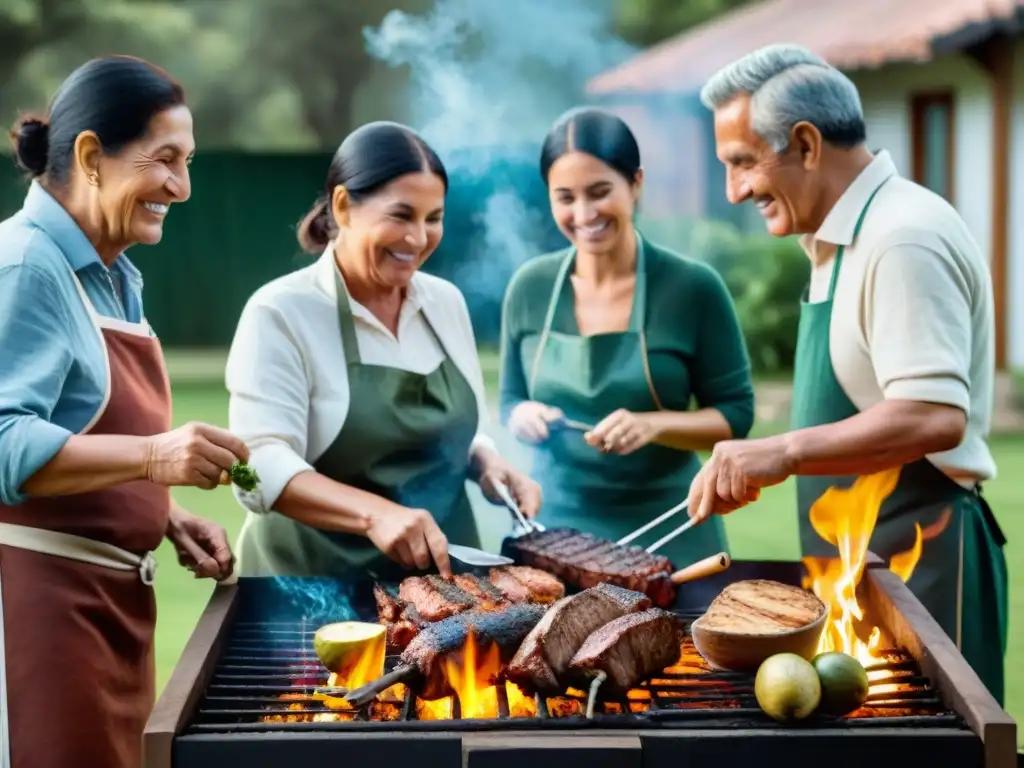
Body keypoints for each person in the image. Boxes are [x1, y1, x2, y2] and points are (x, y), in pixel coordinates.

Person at [690, 44, 1007, 702]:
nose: (735, 190)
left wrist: (781, 449)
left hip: (923, 569)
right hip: (864, 566)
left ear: (805, 145)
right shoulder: (838, 238)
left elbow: (933, 414)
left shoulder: (901, 237)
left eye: (743, 162)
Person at [0, 57, 248, 768]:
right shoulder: (26, 264)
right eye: (165, 159)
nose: (183, 186)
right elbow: (4, 439)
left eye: (189, 161)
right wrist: (152, 459)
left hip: (110, 617)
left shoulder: (113, 274)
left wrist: (160, 510)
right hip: (37, 619)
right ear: (90, 157)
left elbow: (77, 421)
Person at [226, 121, 541, 581]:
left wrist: (485, 461)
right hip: (313, 590)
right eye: (401, 215)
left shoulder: (444, 303)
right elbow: (257, 466)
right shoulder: (281, 312)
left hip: (445, 590)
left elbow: (460, 428)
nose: (418, 238)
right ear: (343, 206)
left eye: (433, 218)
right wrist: (376, 515)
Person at [499, 107, 755, 566]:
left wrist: (653, 424)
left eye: (600, 192)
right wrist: (523, 414)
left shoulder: (692, 287)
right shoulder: (529, 287)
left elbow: (736, 415)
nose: (584, 214)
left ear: (635, 183)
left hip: (672, 525)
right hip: (557, 532)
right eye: (565, 197)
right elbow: (510, 399)